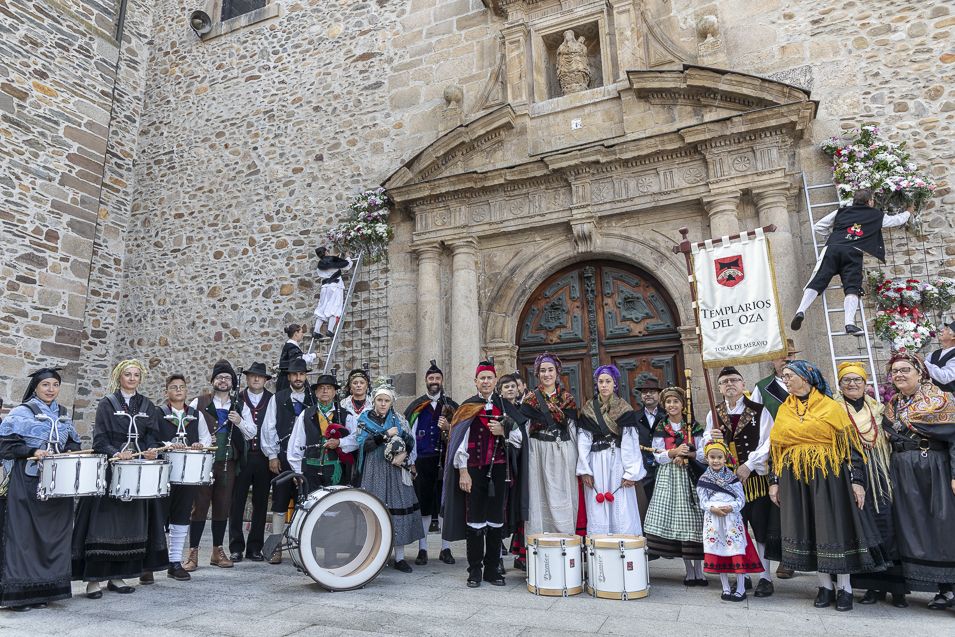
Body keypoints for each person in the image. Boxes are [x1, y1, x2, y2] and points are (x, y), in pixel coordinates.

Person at [768, 360, 886, 612]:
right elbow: (776, 449)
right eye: (785, 376)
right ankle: (825, 587)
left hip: (829, 476)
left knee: (833, 529)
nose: (786, 380)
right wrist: (774, 481)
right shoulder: (784, 410)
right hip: (795, 478)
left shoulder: (832, 407)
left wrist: (857, 482)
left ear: (806, 377)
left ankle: (845, 588)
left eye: (789, 376)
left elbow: (851, 447)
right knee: (808, 529)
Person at [72, 359, 168, 598]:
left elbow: (152, 437)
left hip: (135, 472)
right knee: (102, 524)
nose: (132, 378)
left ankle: (117, 576)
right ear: (119, 377)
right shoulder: (107, 403)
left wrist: (150, 450)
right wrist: (116, 453)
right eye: (128, 374)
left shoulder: (147, 405)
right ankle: (93, 581)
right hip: (110, 471)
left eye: (136, 374)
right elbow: (99, 440)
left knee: (130, 524)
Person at [0, 368, 82, 610]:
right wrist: (33, 451)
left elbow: (73, 442)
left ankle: (44, 591)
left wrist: (69, 451)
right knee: (24, 537)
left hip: (58, 484)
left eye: (55, 385)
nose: (51, 389)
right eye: (46, 384)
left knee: (54, 536)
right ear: (35, 387)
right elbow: (4, 446)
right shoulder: (20, 413)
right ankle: (20, 596)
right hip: (28, 483)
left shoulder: (64, 415)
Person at [883, 353, 955, 611]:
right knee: (912, 526)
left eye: (905, 370)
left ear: (920, 372)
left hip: (934, 467)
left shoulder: (942, 400)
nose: (899, 375)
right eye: (895, 371)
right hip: (902, 469)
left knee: (942, 525)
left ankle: (950, 587)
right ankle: (930, 587)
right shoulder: (893, 405)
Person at [442, 361, 523, 587]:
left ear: (495, 381)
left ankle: (492, 569)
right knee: (475, 519)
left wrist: (503, 430)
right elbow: (458, 443)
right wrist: (463, 472)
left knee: (496, 520)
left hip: (499, 471)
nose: (486, 382)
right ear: (476, 382)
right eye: (482, 378)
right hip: (474, 470)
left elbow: (519, 438)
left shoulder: (505, 407)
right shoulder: (467, 407)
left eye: (489, 378)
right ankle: (475, 570)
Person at [833, 362, 907, 607]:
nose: (852, 384)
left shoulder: (878, 409)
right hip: (851, 472)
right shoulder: (834, 410)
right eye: (847, 380)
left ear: (866, 384)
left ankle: (896, 589)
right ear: (840, 384)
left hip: (881, 471)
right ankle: (872, 587)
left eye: (857, 380)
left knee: (888, 525)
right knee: (864, 528)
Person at [790, 188, 911, 335]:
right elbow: (896, 220)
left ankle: (800, 311)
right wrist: (908, 211)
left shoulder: (841, 211)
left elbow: (818, 226)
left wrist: (834, 235)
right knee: (852, 287)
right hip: (853, 252)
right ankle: (849, 323)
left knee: (818, 280)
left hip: (833, 248)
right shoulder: (876, 215)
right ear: (870, 201)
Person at [703, 366, 778, 597]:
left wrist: (749, 464)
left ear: (743, 384)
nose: (730, 384)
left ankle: (765, 577)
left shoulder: (759, 410)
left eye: (734, 380)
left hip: (754, 480)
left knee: (760, 528)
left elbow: (768, 441)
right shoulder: (714, 414)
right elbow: (705, 445)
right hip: (726, 483)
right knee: (735, 530)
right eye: (724, 381)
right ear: (719, 388)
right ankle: (741, 576)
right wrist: (711, 440)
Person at [184, 360, 254, 571]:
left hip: (227, 463)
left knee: (223, 505)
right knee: (200, 506)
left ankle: (217, 550)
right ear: (212, 380)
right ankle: (193, 552)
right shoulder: (199, 402)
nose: (223, 381)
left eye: (227, 378)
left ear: (232, 383)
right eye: (219, 377)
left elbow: (252, 432)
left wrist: (239, 421)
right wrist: (200, 441)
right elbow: (186, 427)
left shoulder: (239, 406)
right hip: (205, 462)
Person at [355, 381, 424, 572]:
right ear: (374, 401)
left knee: (397, 507)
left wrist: (406, 456)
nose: (383, 403)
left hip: (394, 469)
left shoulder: (399, 419)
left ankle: (399, 557)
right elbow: (364, 445)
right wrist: (385, 435)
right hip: (374, 468)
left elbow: (410, 441)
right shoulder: (364, 419)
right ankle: (377, 555)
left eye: (386, 400)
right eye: (380, 400)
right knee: (376, 510)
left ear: (391, 402)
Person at [643, 386, 706, 585]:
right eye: (668, 402)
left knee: (694, 522)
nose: (672, 405)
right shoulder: (662, 427)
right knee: (678, 522)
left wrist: (688, 454)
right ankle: (688, 571)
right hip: (669, 477)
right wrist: (674, 453)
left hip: (690, 476)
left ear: (682, 405)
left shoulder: (692, 426)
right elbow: (657, 455)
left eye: (675, 402)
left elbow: (704, 452)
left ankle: (700, 571)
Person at [513, 353, 578, 536]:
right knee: (538, 496)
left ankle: (565, 540)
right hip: (537, 451)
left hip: (563, 451)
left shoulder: (568, 399)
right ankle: (539, 543)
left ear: (557, 372)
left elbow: (573, 430)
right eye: (542, 371)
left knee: (564, 495)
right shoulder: (530, 400)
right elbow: (522, 430)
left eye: (550, 370)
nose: (546, 374)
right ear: (537, 373)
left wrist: (580, 461)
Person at [577, 365, 645, 536]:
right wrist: (585, 470)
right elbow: (584, 440)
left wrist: (631, 472)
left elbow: (630, 441)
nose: (604, 385)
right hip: (595, 460)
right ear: (597, 384)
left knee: (621, 503)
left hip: (619, 460)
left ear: (615, 384)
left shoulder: (624, 408)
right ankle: (600, 548)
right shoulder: (588, 409)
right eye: (601, 382)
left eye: (608, 381)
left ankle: (625, 546)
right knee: (597, 504)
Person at [155, 374, 211, 581]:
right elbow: (152, 437)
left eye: (182, 387)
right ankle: (151, 561)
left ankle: (175, 561)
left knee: (181, 515)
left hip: (188, 473)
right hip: (164, 472)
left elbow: (205, 437)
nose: (178, 390)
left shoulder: (196, 415)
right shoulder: (158, 413)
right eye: (173, 387)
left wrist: (200, 445)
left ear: (187, 391)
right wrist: (168, 445)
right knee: (159, 515)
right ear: (166, 392)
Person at [261, 357, 315, 564]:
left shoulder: (313, 399)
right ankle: (276, 548)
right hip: (283, 455)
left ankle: (303, 546)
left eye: (301, 374)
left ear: (305, 376)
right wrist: (273, 455)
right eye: (294, 374)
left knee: (306, 501)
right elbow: (269, 427)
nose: (298, 378)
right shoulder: (278, 398)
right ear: (289, 377)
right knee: (280, 502)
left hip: (307, 456)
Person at [751, 338, 797, 579]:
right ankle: (787, 557)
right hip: (777, 452)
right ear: (773, 359)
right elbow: (756, 421)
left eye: (790, 354)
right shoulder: (763, 386)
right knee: (781, 506)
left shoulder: (808, 380)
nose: (786, 358)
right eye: (781, 355)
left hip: (806, 450)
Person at [404, 360, 458, 565]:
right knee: (424, 506)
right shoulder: (416, 406)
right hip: (423, 462)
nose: (434, 382)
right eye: (431, 378)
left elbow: (461, 434)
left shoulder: (451, 406)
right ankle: (423, 549)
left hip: (445, 462)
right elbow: (408, 434)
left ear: (442, 381)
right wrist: (412, 462)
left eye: (437, 378)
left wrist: (448, 427)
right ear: (426, 381)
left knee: (444, 506)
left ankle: (446, 548)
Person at [697, 439, 763, 602]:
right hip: (714, 521)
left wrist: (730, 508)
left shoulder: (733, 479)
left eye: (719, 457)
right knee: (720, 553)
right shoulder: (704, 480)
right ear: (707, 458)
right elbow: (702, 501)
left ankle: (740, 588)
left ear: (725, 458)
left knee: (736, 551)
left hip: (731, 521)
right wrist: (713, 508)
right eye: (712, 457)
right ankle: (725, 587)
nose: (716, 460)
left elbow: (741, 500)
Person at [228, 362, 274, 563]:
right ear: (247, 378)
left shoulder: (272, 400)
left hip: (263, 457)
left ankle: (255, 547)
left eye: (260, 376)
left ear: (265, 380)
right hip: (242, 457)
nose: (256, 379)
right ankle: (236, 546)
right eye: (253, 376)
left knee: (261, 502)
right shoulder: (236, 399)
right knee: (237, 501)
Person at [287, 373, 356, 490]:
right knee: (311, 505)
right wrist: (298, 471)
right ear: (316, 392)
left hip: (335, 470)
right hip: (310, 470)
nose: (325, 391)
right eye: (321, 388)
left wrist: (340, 442)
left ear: (334, 392)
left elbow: (356, 439)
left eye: (329, 388)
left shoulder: (345, 415)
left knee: (335, 505)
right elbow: (296, 443)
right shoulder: (306, 414)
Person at [635, 377, 665, 515]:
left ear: (659, 394)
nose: (648, 395)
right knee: (645, 501)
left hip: (664, 465)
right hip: (644, 466)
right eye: (644, 392)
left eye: (652, 391)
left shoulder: (667, 415)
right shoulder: (634, 417)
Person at [312, 247, 352, 339]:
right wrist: (347, 257)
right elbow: (346, 266)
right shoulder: (333, 262)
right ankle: (330, 330)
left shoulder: (320, 266)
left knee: (321, 308)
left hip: (324, 288)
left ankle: (316, 331)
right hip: (335, 287)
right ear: (326, 252)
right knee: (335, 307)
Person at [277, 324, 317, 393]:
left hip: (289, 377)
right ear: (296, 333)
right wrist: (315, 355)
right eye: (301, 332)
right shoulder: (291, 347)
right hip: (288, 380)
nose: (302, 334)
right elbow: (301, 359)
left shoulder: (290, 345)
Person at [926, 319, 955, 392]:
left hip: (948, 399)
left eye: (946, 329)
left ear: (953, 337)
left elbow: (945, 377)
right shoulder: (935, 353)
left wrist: (923, 363)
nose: (942, 330)